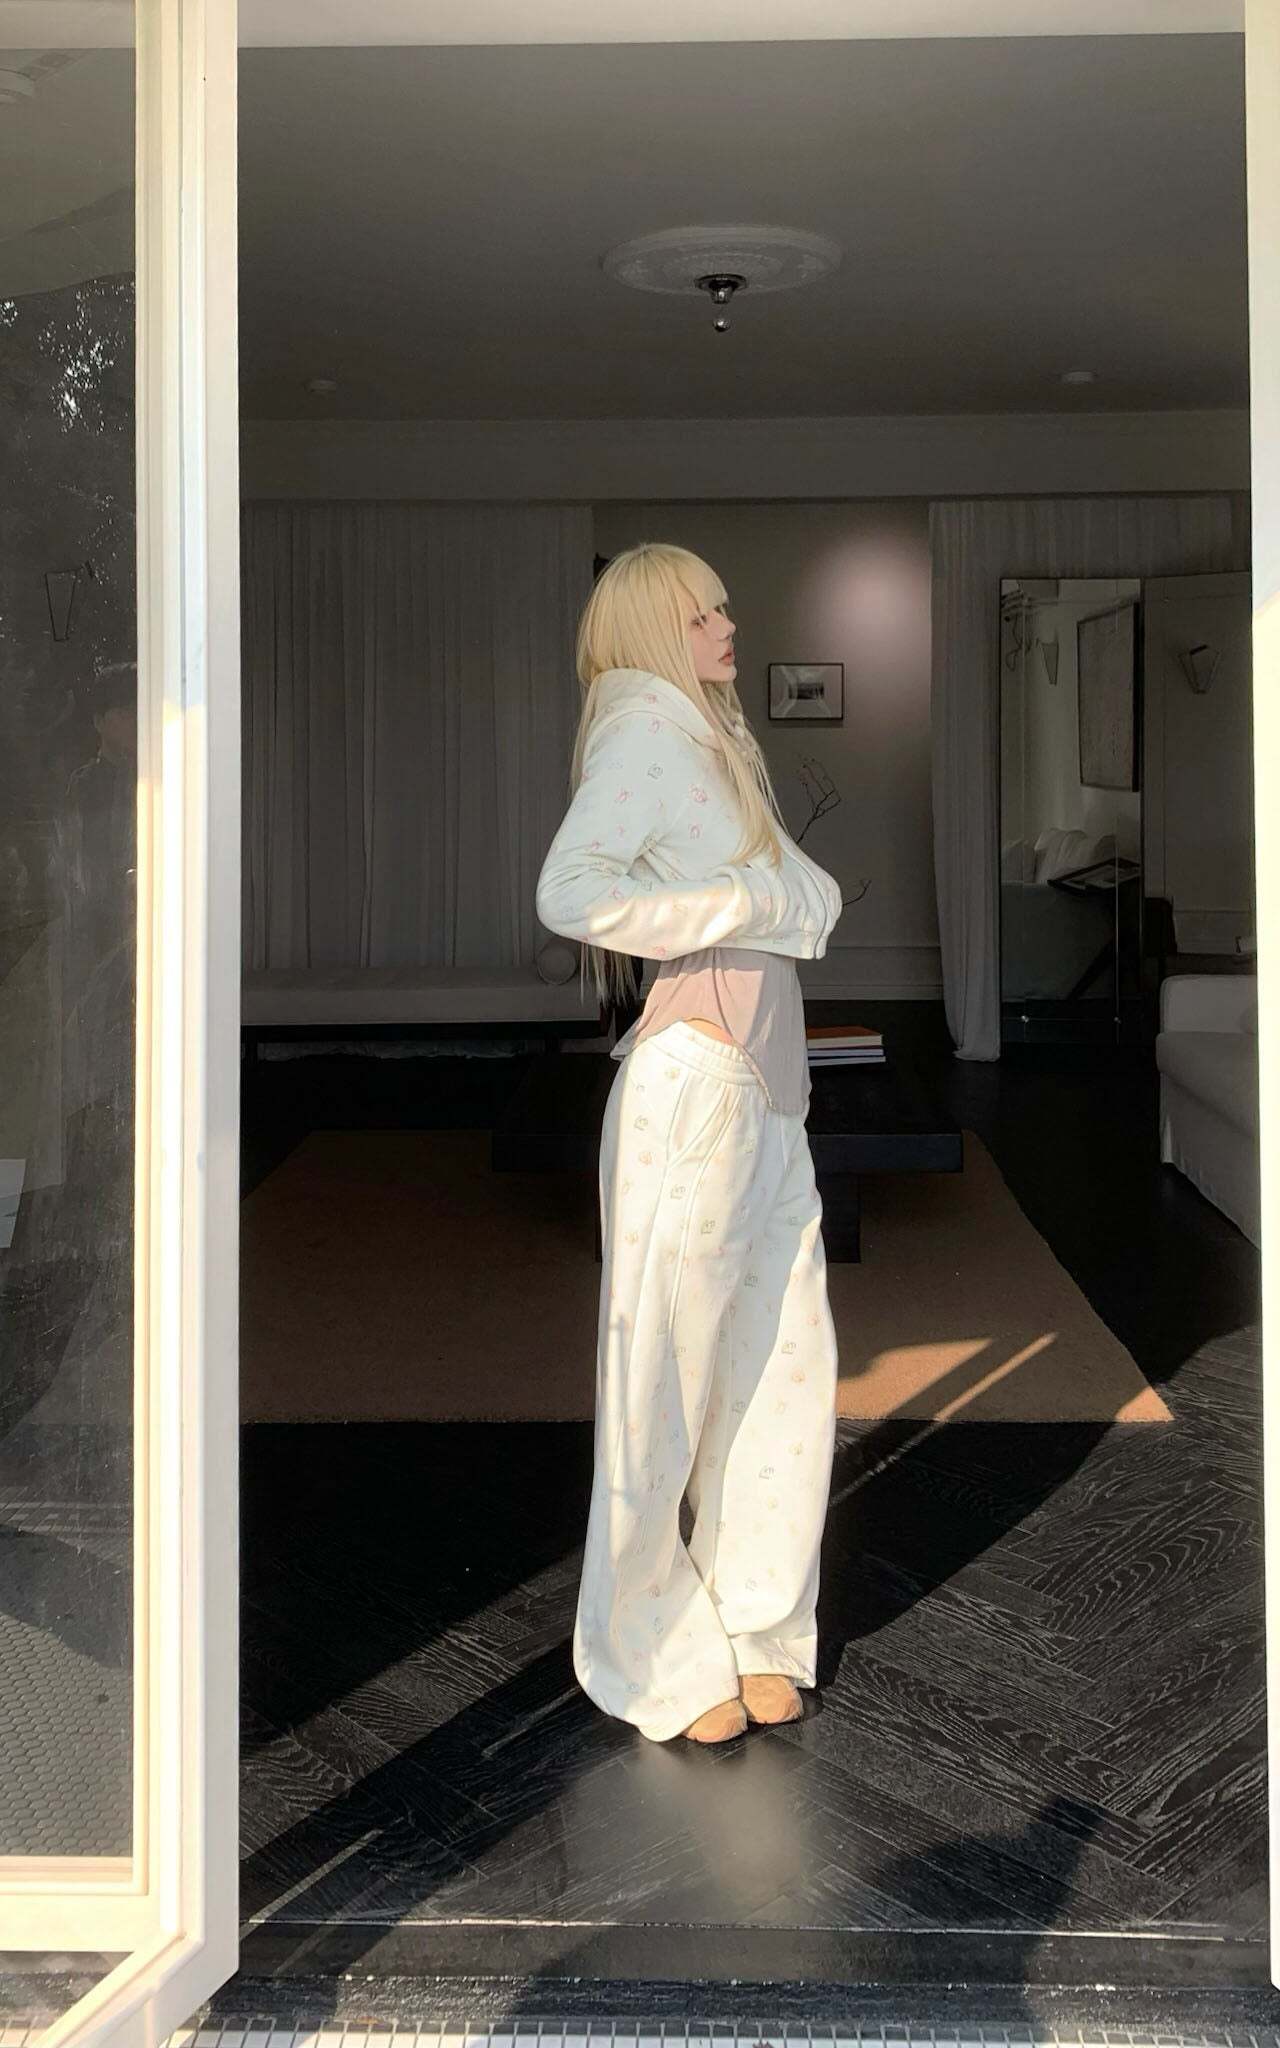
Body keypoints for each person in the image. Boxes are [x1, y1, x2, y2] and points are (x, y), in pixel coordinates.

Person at [535, 542, 845, 1746]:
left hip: (766, 1093)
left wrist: (771, 897)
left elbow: (808, 894)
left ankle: (754, 1619)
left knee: (779, 1361)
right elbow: (571, 893)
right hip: (694, 1087)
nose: (728, 626)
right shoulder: (643, 734)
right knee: (660, 1379)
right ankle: (651, 1647)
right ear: (654, 628)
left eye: (724, 606)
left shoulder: (712, 742)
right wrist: (744, 904)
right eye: (705, 612)